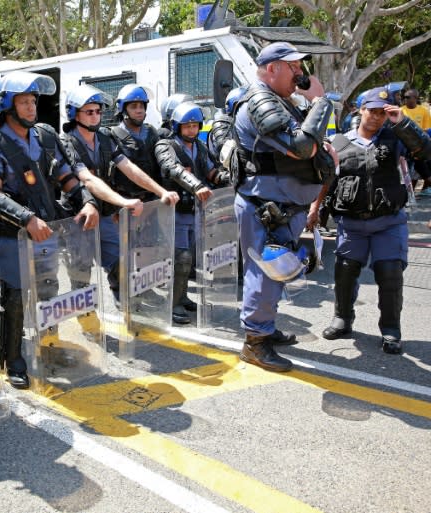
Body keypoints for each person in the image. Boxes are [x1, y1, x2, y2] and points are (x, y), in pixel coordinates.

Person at [0, 71, 99, 389]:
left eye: (33, 101)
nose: (31, 108)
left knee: (47, 289)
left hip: (49, 230)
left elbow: (66, 176)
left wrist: (87, 201)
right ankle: (12, 357)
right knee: (14, 297)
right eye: (24, 101)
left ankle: (48, 347)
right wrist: (26, 218)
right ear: (6, 105)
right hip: (13, 234)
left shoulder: (44, 135)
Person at [230, 42, 336, 372]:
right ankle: (255, 343)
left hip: (285, 208)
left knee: (277, 274)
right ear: (272, 68)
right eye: (294, 67)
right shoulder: (260, 102)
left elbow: (310, 144)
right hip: (266, 208)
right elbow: (301, 147)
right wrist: (320, 101)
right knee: (264, 274)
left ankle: (265, 328)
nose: (301, 74)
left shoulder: (282, 102)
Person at [323, 86, 431, 354]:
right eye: (372, 111)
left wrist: (403, 123)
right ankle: (343, 319)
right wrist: (315, 213)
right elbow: (326, 182)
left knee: (390, 273)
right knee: (345, 271)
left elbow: (425, 151)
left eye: (382, 113)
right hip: (352, 224)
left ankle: (391, 330)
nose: (376, 117)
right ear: (361, 111)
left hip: (388, 222)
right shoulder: (339, 142)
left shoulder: (396, 140)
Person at [59, 84, 179, 306]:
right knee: (81, 271)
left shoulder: (105, 137)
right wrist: (123, 201)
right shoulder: (67, 141)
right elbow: (87, 179)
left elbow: (129, 167)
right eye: (89, 112)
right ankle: (87, 319)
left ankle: (126, 307)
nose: (96, 116)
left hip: (104, 213)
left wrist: (160, 191)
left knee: (118, 264)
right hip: (78, 216)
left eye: (98, 111)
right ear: (75, 114)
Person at [156, 102, 216, 324]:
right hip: (175, 211)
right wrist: (196, 185)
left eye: (195, 125)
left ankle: (183, 296)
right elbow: (172, 168)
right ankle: (173, 304)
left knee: (190, 258)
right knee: (181, 258)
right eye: (187, 126)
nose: (191, 130)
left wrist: (226, 179)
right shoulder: (166, 145)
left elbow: (211, 168)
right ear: (177, 126)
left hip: (196, 211)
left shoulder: (200, 146)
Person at [108, 84, 163, 201]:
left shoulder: (151, 132)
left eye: (142, 106)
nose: (139, 110)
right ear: (123, 108)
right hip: (127, 203)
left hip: (153, 200)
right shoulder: (112, 135)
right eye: (133, 106)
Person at [400, 89, 431, 196]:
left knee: (420, 168)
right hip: (404, 146)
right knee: (408, 170)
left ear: (415, 98)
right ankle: (410, 193)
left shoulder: (423, 111)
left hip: (420, 146)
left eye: (408, 97)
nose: (405, 99)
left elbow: (427, 130)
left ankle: (419, 190)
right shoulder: (400, 111)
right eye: (404, 97)